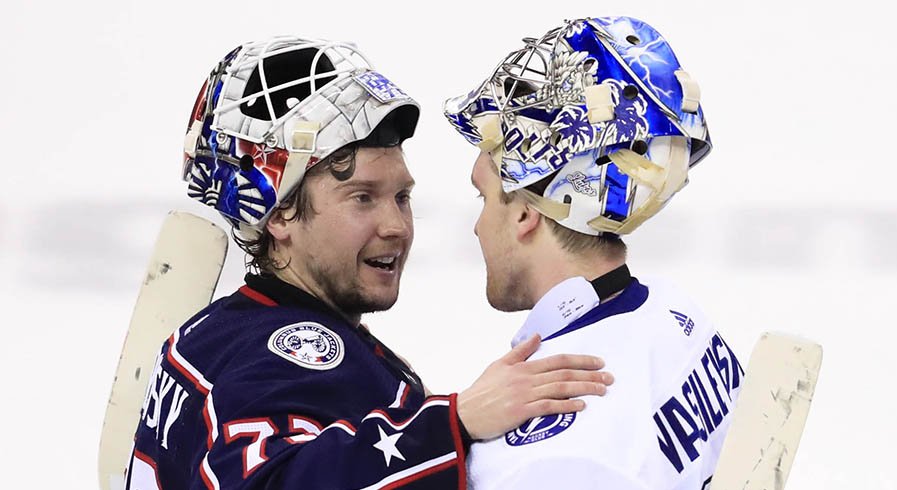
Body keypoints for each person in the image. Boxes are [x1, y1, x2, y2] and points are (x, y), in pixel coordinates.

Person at [126, 36, 614, 490]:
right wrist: (454, 422)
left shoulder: (208, 334)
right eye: (362, 198)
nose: (397, 226)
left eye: (401, 196)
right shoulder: (292, 355)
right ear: (278, 215)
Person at [443, 17, 745, 489]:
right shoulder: (679, 317)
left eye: (484, 198)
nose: (478, 227)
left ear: (526, 214)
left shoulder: (538, 458)